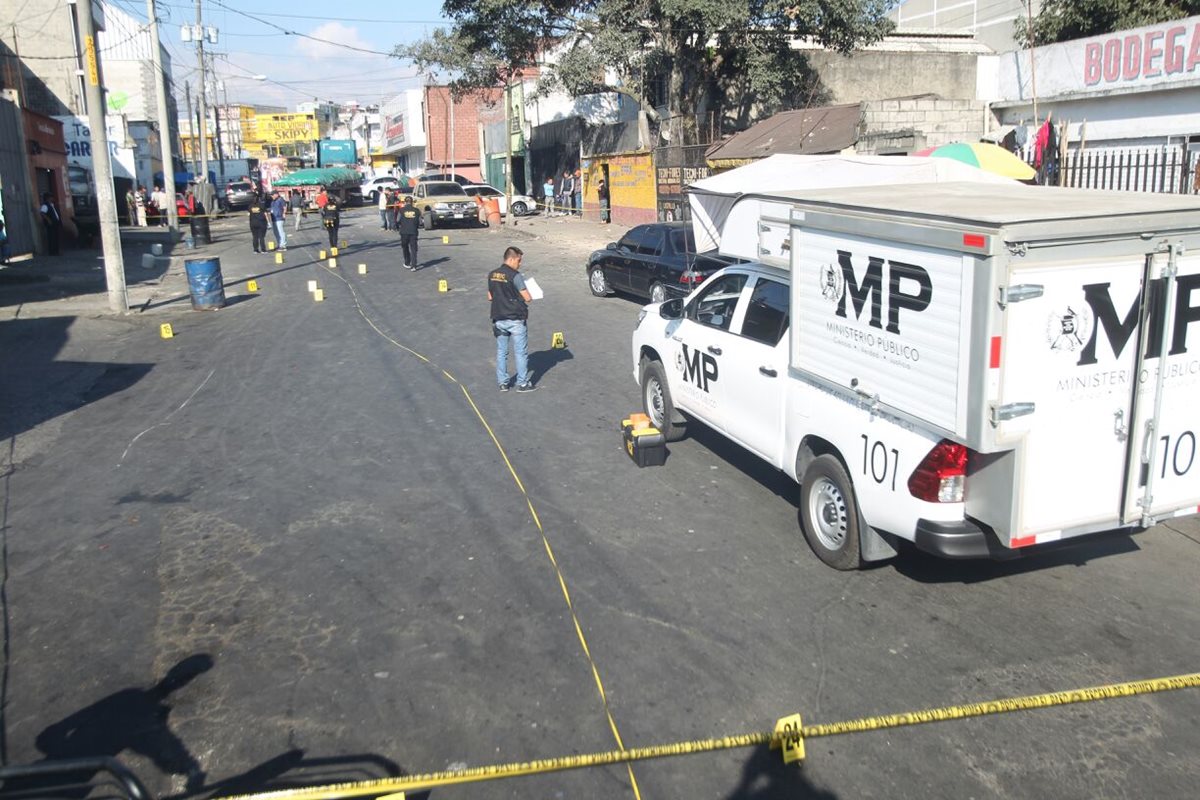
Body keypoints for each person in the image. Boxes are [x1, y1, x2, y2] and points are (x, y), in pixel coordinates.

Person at [488, 245, 536, 392]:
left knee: (502, 351)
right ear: (511, 259)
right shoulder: (515, 276)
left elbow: (490, 297)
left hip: (498, 318)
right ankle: (522, 383)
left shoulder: (492, 274)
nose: (520, 264)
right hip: (515, 319)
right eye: (519, 260)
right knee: (520, 352)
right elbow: (528, 298)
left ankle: (503, 383)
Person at [397, 196, 420, 269]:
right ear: (412, 202)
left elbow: (398, 220)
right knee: (413, 248)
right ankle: (414, 265)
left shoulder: (401, 210)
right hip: (413, 231)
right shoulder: (417, 210)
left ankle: (407, 262)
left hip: (404, 231)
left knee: (405, 247)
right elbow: (420, 221)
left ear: (405, 202)